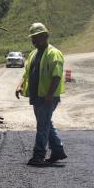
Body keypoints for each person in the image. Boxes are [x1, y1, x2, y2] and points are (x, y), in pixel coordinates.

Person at [15, 22, 67, 166]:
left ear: (45, 36)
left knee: (42, 125)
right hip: (37, 96)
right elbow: (27, 74)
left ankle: (38, 155)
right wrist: (20, 86)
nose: (34, 41)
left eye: (36, 37)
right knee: (45, 123)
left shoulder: (53, 53)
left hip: (47, 96)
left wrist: (50, 94)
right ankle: (57, 150)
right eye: (32, 38)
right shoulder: (33, 54)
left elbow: (56, 76)